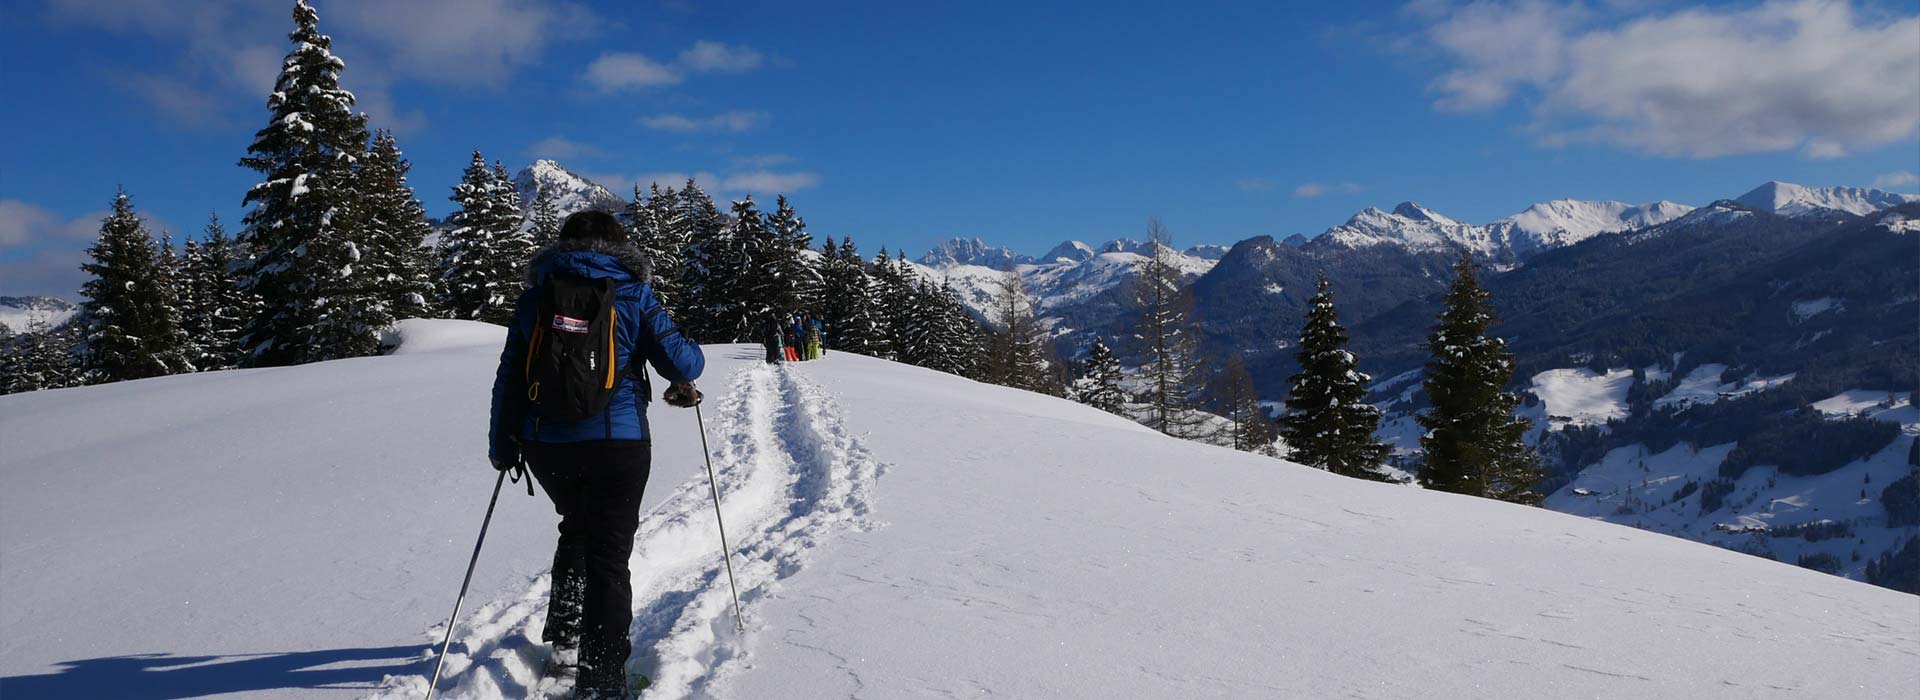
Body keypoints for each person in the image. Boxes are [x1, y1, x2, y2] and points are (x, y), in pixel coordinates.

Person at [489, 210, 705, 699]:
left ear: (562, 247)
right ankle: (603, 681)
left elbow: (510, 379)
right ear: (621, 248)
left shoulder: (535, 299)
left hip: (548, 445)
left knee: (576, 528)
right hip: (619, 444)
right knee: (609, 554)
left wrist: (502, 445)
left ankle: (565, 644)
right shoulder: (634, 294)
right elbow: (686, 362)